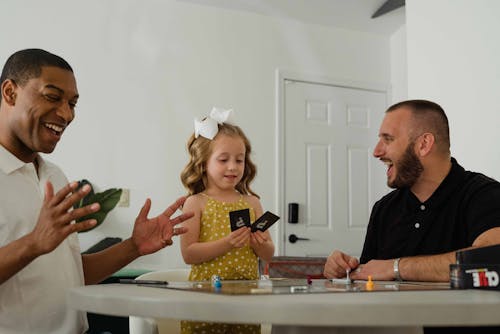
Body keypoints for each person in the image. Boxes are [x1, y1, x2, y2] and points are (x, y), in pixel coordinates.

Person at [0, 48, 193, 334]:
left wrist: (134, 247)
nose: (66, 114)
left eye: (72, 103)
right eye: (52, 97)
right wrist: (34, 243)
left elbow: (73, 274)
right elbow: (38, 246)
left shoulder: (54, 175)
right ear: (10, 92)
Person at [324, 99, 500, 282]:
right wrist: (344, 270)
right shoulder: (384, 209)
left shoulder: (485, 195)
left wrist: (396, 268)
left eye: (388, 139)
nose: (376, 151)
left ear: (424, 144)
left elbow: (490, 260)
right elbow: (370, 280)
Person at [179, 108, 275, 334]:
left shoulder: (252, 203)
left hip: (246, 301)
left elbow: (269, 254)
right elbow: (188, 254)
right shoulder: (195, 202)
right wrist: (227, 243)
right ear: (203, 163)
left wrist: (259, 244)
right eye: (223, 160)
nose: (233, 166)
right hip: (205, 300)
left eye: (239, 160)